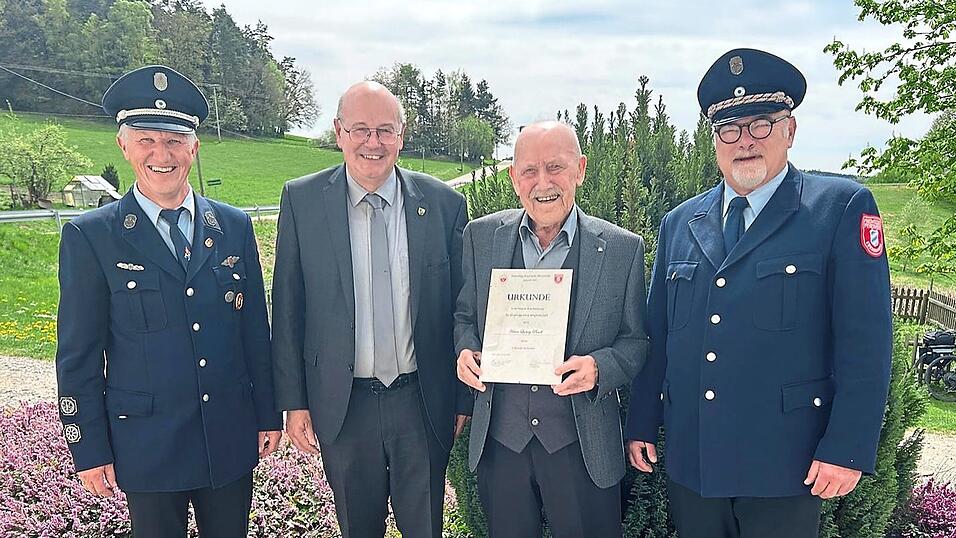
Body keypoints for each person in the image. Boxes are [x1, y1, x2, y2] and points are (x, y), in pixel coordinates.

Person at [625, 48, 893, 538]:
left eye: (761, 124)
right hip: (695, 459)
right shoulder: (681, 223)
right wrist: (641, 421)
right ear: (714, 141)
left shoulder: (838, 208)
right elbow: (659, 334)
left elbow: (866, 341)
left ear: (790, 130)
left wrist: (847, 447)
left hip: (786, 463)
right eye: (729, 129)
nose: (744, 141)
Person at [55, 65, 282, 538]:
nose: (163, 153)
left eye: (176, 139)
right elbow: (77, 354)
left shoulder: (233, 226)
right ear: (124, 145)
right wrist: (89, 447)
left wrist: (267, 415)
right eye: (146, 139)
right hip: (147, 445)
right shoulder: (92, 236)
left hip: (227, 437)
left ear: (193, 146)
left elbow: (254, 333)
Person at [270, 81, 470, 538]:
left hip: (420, 401)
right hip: (343, 404)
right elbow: (287, 309)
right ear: (339, 132)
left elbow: (462, 307)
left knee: (426, 528)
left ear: (402, 136)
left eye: (385, 130)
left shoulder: (444, 205)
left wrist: (462, 397)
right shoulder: (302, 201)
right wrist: (294, 402)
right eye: (360, 129)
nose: (372, 142)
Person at [455, 121, 648, 538]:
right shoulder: (481, 237)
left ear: (580, 169)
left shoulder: (621, 249)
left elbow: (636, 341)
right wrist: (465, 351)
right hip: (502, 443)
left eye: (555, 168)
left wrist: (599, 368)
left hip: (581, 446)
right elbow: (465, 317)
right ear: (513, 178)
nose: (542, 183)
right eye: (529, 170)